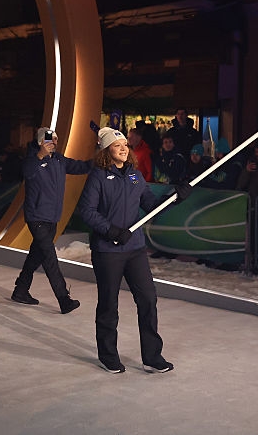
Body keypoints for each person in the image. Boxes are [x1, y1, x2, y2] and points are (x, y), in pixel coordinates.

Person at [77, 127, 191, 374]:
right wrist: (112, 230)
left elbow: (151, 207)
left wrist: (176, 197)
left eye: (125, 145)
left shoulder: (135, 176)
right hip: (108, 250)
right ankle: (108, 355)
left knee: (148, 298)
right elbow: (86, 211)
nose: (123, 148)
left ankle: (152, 356)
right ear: (106, 150)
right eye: (117, 145)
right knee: (109, 303)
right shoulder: (98, 176)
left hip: (135, 248)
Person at [11, 127, 90, 313]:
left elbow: (81, 166)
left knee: (36, 256)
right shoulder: (32, 159)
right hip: (36, 217)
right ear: (40, 142)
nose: (54, 142)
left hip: (52, 218)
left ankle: (20, 290)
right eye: (49, 139)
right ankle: (64, 299)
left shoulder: (59, 159)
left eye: (55, 138)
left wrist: (101, 157)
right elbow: (27, 172)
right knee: (49, 258)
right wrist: (40, 155)